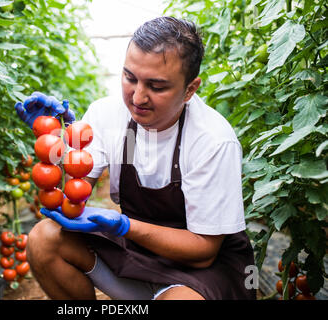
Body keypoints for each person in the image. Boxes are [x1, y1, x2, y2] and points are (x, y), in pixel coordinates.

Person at [14, 16, 256, 300]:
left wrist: (125, 226)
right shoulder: (109, 115)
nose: (137, 97)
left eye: (156, 86)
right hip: (138, 252)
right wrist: (57, 138)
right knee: (44, 239)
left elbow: (203, 252)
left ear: (190, 89)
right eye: (130, 78)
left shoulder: (212, 140)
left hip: (201, 274)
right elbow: (73, 195)